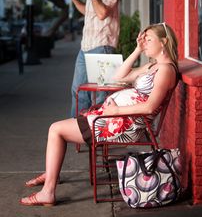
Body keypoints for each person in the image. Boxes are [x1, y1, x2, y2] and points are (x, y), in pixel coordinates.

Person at [20, 22, 179, 206]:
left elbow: (150, 107)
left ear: (164, 42)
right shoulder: (153, 66)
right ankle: (51, 173)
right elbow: (118, 77)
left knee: (56, 130)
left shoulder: (166, 70)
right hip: (114, 118)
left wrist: (116, 110)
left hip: (124, 124)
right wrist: (137, 49)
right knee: (60, 128)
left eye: (149, 39)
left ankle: (48, 190)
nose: (145, 43)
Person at [68, 0, 120, 117]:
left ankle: (98, 136)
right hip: (85, 48)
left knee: (100, 95)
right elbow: (88, 12)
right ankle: (77, 129)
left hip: (102, 47)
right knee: (78, 91)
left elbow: (102, 13)